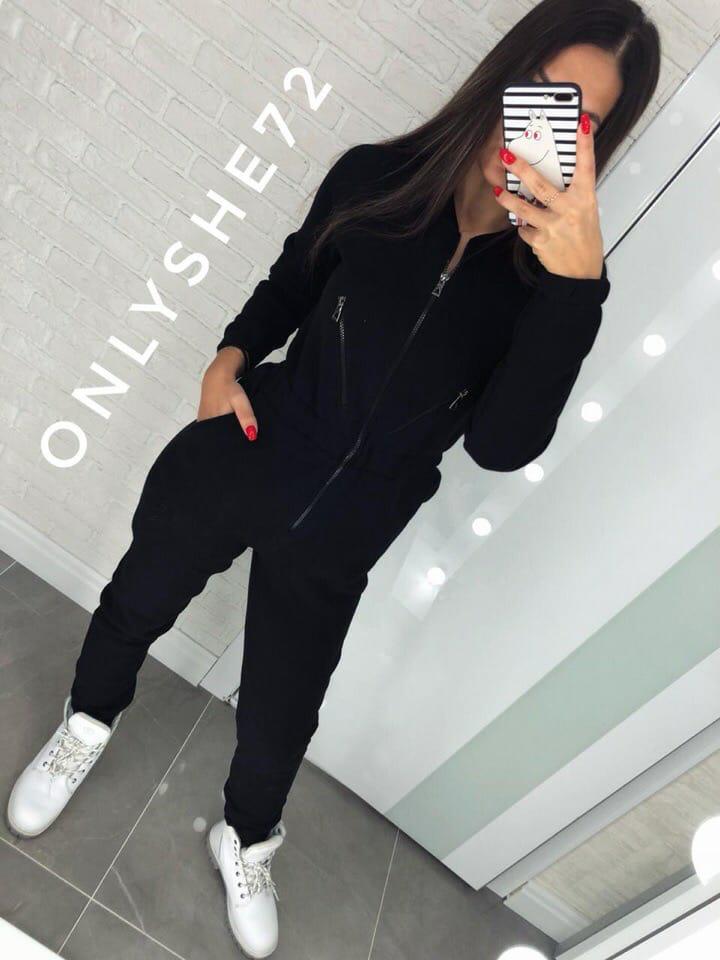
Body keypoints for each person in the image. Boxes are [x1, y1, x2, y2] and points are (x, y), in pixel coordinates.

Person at [6, 1, 660, 956]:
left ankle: (245, 837)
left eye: (582, 119)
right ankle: (87, 723)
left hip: (354, 517)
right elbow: (294, 280)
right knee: (136, 600)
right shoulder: (376, 177)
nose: (547, 125)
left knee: (281, 716)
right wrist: (229, 356)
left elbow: (499, 446)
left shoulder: (548, 286)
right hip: (254, 443)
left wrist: (576, 288)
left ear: (596, 147)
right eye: (544, 92)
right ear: (506, 75)